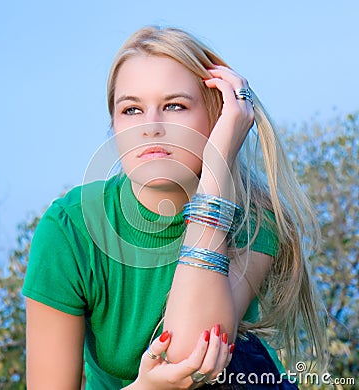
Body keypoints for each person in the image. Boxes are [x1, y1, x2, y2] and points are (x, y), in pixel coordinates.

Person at [22, 26, 328, 389]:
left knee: (243, 364)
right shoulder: (70, 229)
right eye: (132, 109)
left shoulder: (255, 219)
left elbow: (191, 360)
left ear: (217, 118)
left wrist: (218, 167)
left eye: (174, 106)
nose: (151, 127)